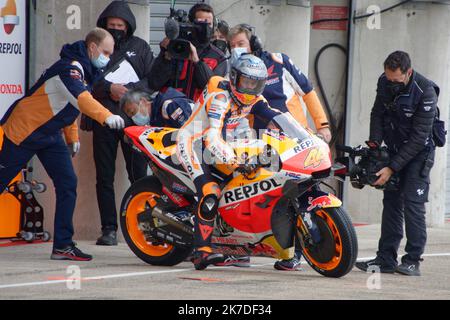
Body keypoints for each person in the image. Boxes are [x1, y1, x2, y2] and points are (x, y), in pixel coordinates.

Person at [0, 28, 124, 261]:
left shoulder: (85, 71)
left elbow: (67, 106)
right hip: (25, 129)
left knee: (68, 183)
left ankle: (62, 246)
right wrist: (106, 116)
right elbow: (81, 100)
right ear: (92, 47)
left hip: (49, 133)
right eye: (105, 52)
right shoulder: (70, 69)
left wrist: (72, 137)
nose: (107, 57)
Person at [228, 24, 332, 271]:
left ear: (254, 43)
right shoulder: (233, 70)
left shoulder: (280, 62)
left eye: (241, 43)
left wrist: (323, 125)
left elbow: (307, 92)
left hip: (293, 138)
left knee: (299, 191)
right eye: (232, 46)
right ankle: (241, 249)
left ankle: (296, 252)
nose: (236, 50)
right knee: (259, 193)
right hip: (259, 141)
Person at [176, 53, 283, 270]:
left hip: (225, 145)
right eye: (247, 82)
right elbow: (212, 137)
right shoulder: (221, 98)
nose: (251, 89)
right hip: (195, 143)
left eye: (256, 84)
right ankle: (202, 252)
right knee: (210, 191)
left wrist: (305, 135)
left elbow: (278, 116)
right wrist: (236, 162)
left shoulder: (255, 99)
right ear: (234, 78)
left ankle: (238, 244)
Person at [356, 51, 438, 276]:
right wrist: (375, 145)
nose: (391, 83)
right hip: (393, 149)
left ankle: (412, 261)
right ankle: (385, 259)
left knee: (412, 205)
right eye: (388, 78)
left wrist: (392, 167)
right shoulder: (384, 81)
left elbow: (419, 137)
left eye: (396, 80)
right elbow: (377, 114)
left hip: (418, 153)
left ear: (408, 73)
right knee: (391, 203)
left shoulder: (426, 91)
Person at [92, 1, 155, 246]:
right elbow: (87, 83)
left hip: (133, 122)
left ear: (128, 26)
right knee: (104, 176)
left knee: (139, 175)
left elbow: (152, 81)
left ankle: (144, 226)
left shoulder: (140, 47)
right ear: (105, 25)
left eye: (121, 25)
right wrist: (109, 88)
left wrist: (128, 90)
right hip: (103, 119)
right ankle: (108, 229)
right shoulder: (98, 46)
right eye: (112, 25)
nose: (117, 29)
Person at [148, 3, 227, 101]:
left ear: (214, 25)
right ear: (191, 23)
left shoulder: (219, 57)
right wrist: (165, 58)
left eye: (209, 24)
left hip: (198, 113)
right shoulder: (175, 46)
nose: (205, 27)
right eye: (201, 23)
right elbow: (154, 83)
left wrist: (197, 62)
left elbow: (213, 89)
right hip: (170, 110)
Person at [121, 88, 194, 128]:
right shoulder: (154, 120)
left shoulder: (168, 106)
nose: (134, 118)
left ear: (143, 101)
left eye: (133, 112)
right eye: (130, 117)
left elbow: (190, 131)